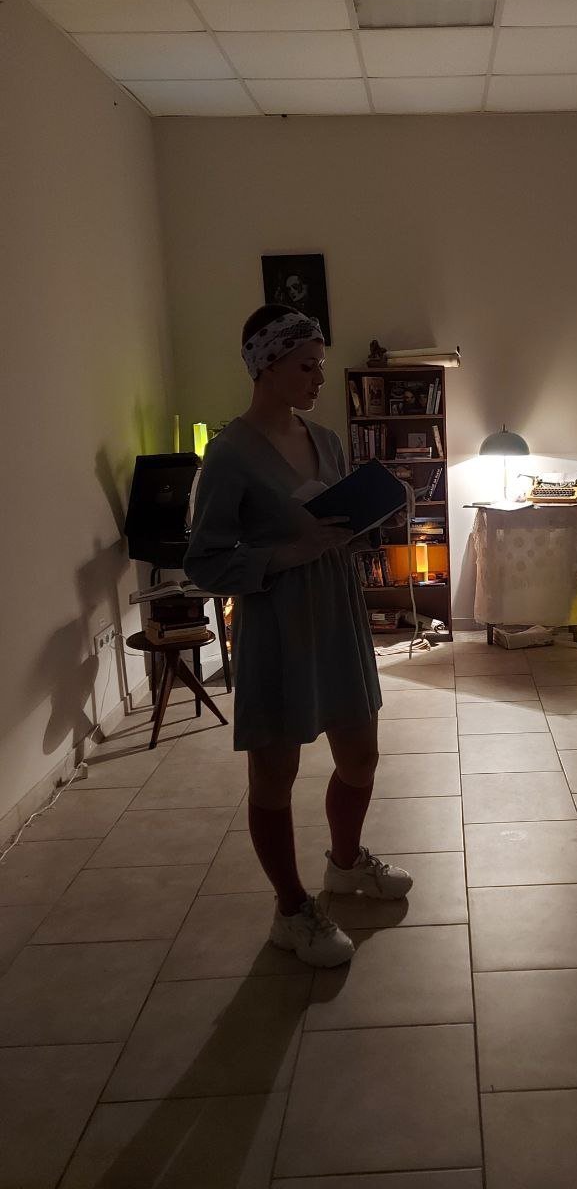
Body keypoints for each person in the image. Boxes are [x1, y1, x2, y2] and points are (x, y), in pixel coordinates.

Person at [184, 303, 412, 968]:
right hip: (277, 624)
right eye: (306, 366)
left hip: (338, 612)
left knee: (360, 756)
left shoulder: (327, 440)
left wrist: (364, 521)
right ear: (266, 365)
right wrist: (289, 552)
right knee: (274, 774)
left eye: (320, 365)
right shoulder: (229, 454)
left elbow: (332, 525)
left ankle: (346, 862)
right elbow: (203, 563)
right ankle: (291, 910)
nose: (318, 378)